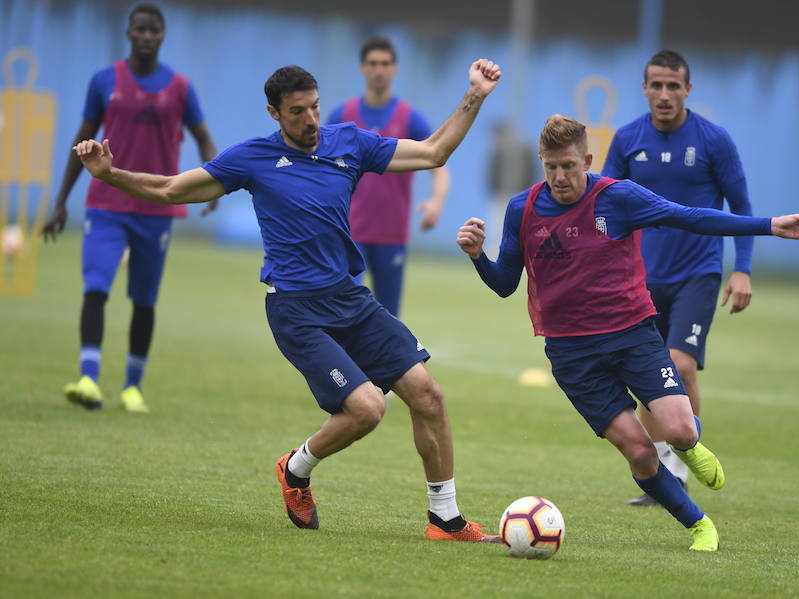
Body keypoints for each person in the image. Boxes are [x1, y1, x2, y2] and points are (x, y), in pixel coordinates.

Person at [73, 59, 503, 542]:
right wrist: (109, 175)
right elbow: (173, 189)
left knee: (428, 394)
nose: (311, 120)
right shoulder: (252, 159)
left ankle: (445, 520)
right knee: (367, 410)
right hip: (296, 310)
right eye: (297, 111)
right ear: (274, 113)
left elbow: (434, 152)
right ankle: (296, 469)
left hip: (348, 298)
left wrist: (476, 94)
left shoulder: (350, 142)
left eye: (315, 107)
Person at [456, 114, 799, 551]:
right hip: (572, 356)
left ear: (587, 160)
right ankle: (699, 525)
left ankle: (690, 445)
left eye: (568, 166)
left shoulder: (619, 198)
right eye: (550, 166)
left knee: (681, 432)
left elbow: (689, 217)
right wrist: (479, 255)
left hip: (632, 336)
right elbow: (504, 285)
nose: (558, 176)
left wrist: (767, 226)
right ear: (542, 162)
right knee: (640, 451)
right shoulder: (523, 209)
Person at [41, 2, 217, 414]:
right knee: (96, 285)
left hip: (156, 207)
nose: (146, 36)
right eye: (140, 28)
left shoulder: (179, 88)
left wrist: (212, 184)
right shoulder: (104, 81)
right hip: (106, 204)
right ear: (128, 32)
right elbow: (82, 142)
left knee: (144, 298)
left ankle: (132, 387)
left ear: (162, 36)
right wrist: (62, 201)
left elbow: (205, 137)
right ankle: (88, 377)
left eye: (154, 30)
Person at [601, 50, 754, 506]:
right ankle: (664, 473)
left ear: (689, 90)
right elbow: (603, 206)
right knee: (650, 378)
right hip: (640, 278)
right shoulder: (628, 139)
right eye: (656, 85)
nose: (665, 95)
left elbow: (741, 207)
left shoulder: (713, 140)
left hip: (698, 271)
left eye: (674, 86)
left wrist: (742, 267)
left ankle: (680, 466)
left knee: (680, 365)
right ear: (645, 88)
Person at [326, 36, 450, 316]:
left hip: (391, 233)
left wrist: (436, 202)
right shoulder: (342, 116)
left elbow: (438, 164)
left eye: (385, 64)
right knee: (342, 305)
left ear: (394, 69)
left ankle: (384, 361)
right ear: (362, 68)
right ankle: (342, 360)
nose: (379, 70)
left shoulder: (409, 118)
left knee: (388, 315)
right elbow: (318, 164)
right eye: (372, 63)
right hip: (348, 231)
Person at [486, 121, 537, 259]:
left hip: (513, 194)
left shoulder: (517, 147)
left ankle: (502, 253)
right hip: (508, 194)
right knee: (501, 225)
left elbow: (531, 169)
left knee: (507, 225)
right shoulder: (519, 146)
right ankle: (498, 252)